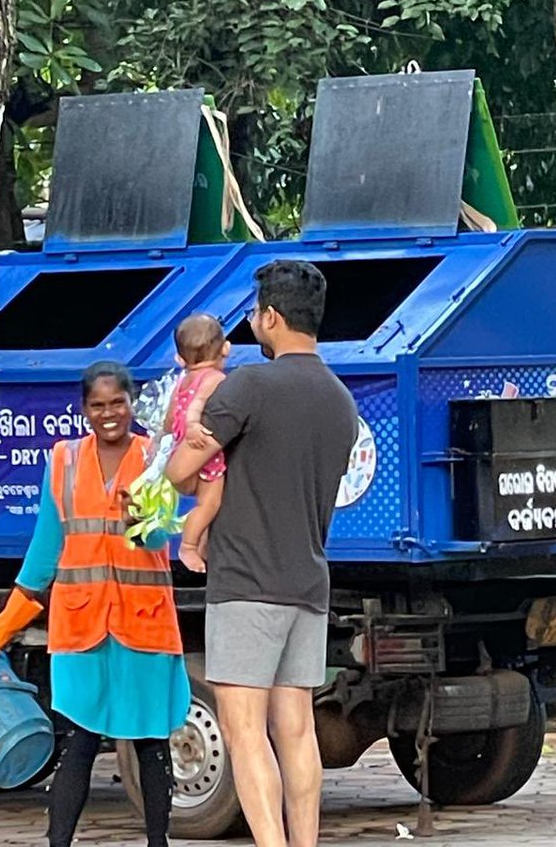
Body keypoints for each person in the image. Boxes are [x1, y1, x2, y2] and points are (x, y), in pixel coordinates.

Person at [166, 260, 358, 847]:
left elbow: (180, 471)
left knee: (245, 730)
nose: (252, 324)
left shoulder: (251, 385)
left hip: (246, 582)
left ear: (271, 316)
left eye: (254, 314)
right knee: (296, 727)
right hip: (308, 582)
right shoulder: (341, 399)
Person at [0, 362, 190, 847]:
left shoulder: (157, 456)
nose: (109, 413)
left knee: (152, 742)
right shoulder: (63, 461)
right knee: (78, 742)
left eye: (118, 403)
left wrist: (143, 515)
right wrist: (6, 623)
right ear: (83, 409)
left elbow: (159, 538)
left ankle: (160, 842)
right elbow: (44, 551)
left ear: (133, 405)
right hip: (81, 626)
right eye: (98, 405)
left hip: (143, 624)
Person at [164, 312, 229, 573]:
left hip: (183, 451)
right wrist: (193, 425)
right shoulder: (215, 379)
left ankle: (202, 542)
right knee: (210, 503)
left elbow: (169, 419)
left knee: (210, 504)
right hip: (206, 455)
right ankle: (189, 546)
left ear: (179, 358)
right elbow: (199, 405)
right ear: (226, 349)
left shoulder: (182, 380)